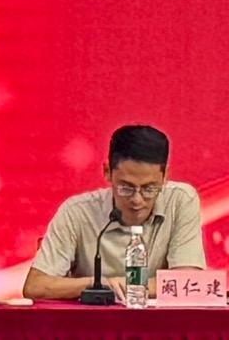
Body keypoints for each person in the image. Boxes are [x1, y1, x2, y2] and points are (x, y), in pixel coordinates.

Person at [22, 122, 208, 301]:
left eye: (149, 188)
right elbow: (35, 286)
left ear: (165, 176)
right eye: (126, 187)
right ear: (107, 172)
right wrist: (97, 284)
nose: (137, 199)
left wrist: (128, 285)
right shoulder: (76, 212)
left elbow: (188, 282)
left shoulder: (181, 200)